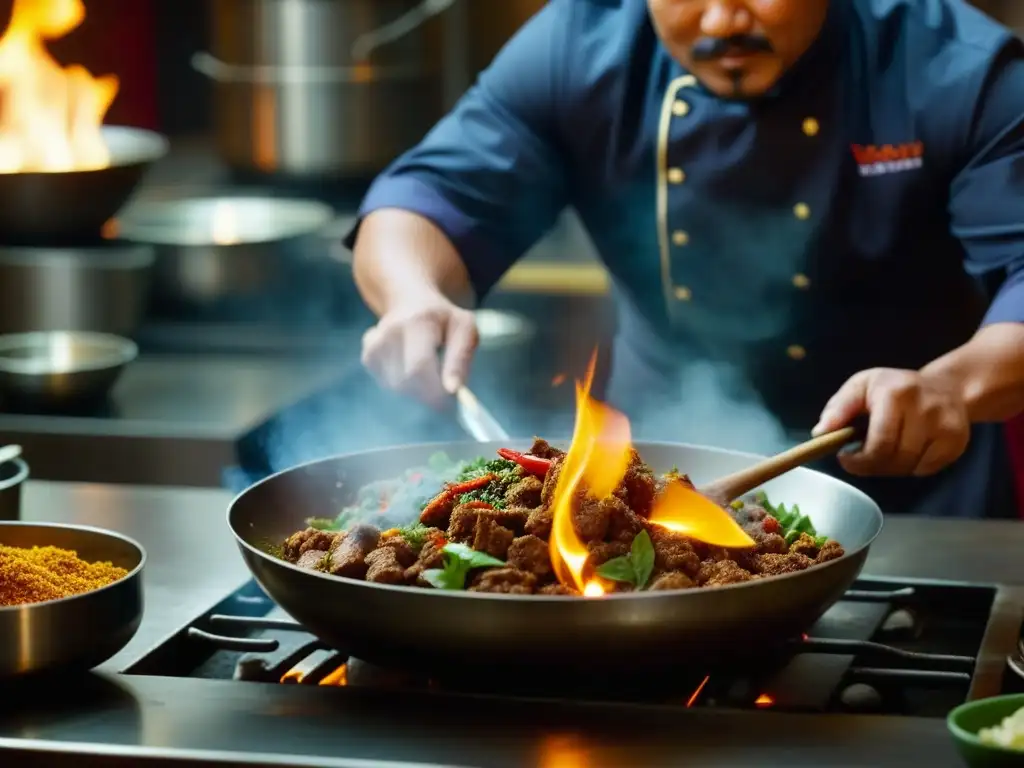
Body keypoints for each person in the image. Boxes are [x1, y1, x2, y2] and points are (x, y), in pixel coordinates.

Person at [346, 0, 1024, 519]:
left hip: (916, 503)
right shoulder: (582, 43)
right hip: (647, 491)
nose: (725, 18)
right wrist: (414, 297)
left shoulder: (949, 63)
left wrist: (950, 386)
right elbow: (426, 196)